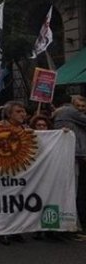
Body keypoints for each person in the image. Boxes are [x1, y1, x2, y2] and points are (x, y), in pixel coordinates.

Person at [53, 93, 86, 239]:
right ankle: (73, 226)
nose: (81, 109)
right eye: (78, 106)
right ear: (72, 104)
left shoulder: (66, 113)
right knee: (75, 191)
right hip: (73, 156)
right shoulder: (70, 112)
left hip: (75, 156)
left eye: (83, 106)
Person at [0, 101, 30, 245]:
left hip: (21, 170)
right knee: (4, 200)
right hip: (4, 169)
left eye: (23, 111)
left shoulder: (27, 129)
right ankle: (3, 231)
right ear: (9, 114)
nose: (22, 114)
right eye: (18, 111)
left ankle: (16, 230)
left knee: (19, 200)